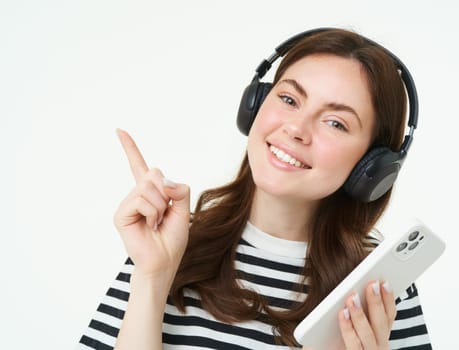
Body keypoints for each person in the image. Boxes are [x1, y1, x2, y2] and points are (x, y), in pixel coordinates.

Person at [78, 28, 432, 350]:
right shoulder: (168, 245)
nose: (296, 128)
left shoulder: (376, 286)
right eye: (290, 99)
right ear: (255, 104)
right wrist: (152, 279)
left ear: (372, 165)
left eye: (335, 122)